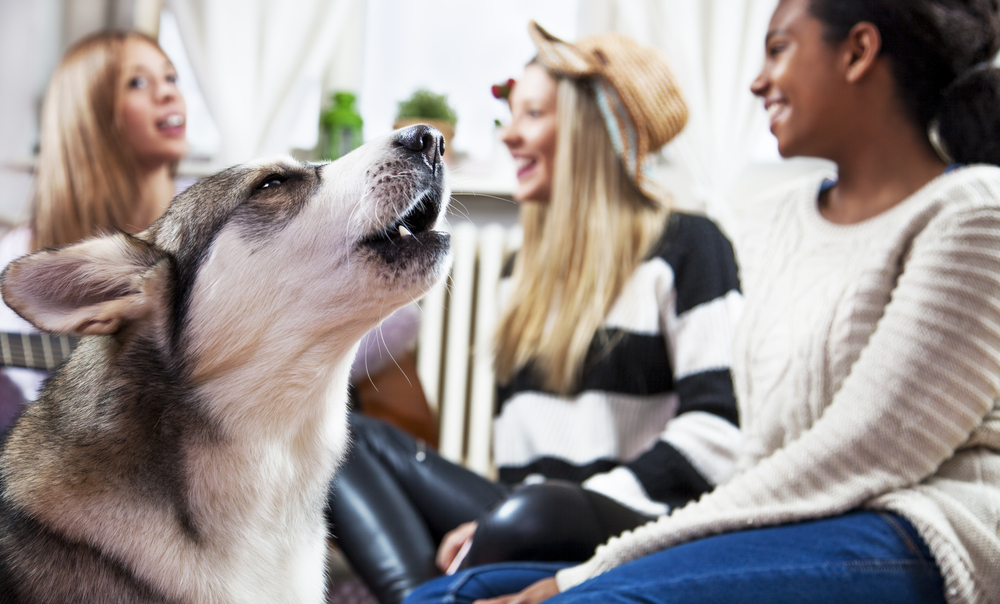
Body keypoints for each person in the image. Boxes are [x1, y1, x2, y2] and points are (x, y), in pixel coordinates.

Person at [404, 1, 1000, 603]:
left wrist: (580, 575)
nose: (756, 81)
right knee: (440, 598)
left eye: (778, 48)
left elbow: (858, 458)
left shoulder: (973, 213)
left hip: (915, 526)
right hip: (786, 520)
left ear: (857, 51)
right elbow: (762, 454)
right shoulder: (776, 221)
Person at [326, 22, 743, 604]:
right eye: (510, 117)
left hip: (634, 516)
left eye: (532, 115)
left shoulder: (691, 246)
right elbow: (519, 464)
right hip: (529, 513)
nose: (511, 137)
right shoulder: (517, 274)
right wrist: (498, 523)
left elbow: (719, 434)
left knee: (538, 508)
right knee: (342, 440)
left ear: (591, 131)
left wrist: (551, 510)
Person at [0, 30, 187, 433]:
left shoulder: (217, 224)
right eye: (138, 82)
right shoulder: (20, 253)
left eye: (171, 77)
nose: (168, 93)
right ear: (90, 113)